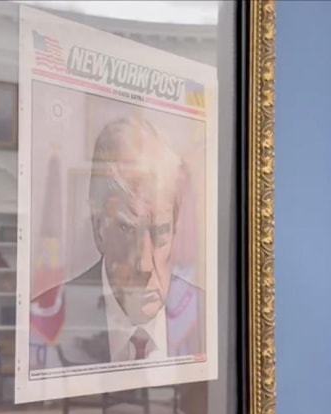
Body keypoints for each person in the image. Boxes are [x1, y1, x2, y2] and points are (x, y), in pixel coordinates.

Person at [32, 115, 204, 368]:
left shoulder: (207, 316)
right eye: (126, 229)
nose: (144, 265)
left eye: (160, 231)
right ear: (99, 229)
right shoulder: (47, 321)